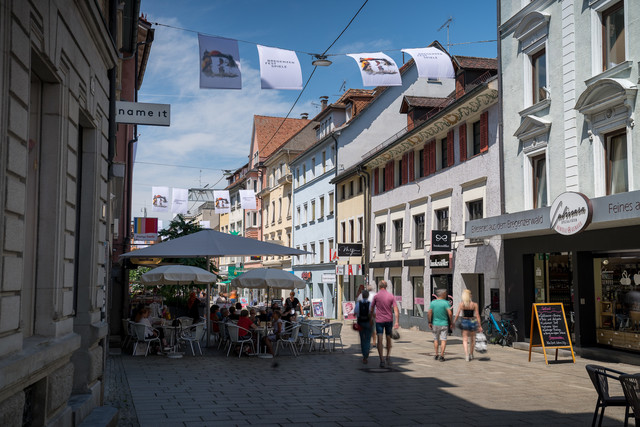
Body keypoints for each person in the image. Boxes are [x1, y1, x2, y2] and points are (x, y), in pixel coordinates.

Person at [371, 280, 399, 368]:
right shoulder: (391, 296)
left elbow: (371, 309)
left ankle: (381, 359)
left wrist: (372, 317)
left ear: (379, 286)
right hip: (389, 320)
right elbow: (396, 309)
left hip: (379, 320)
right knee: (388, 338)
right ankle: (387, 356)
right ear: (386, 286)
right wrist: (397, 321)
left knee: (379, 339)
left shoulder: (376, 296)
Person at [454, 289, 483, 362]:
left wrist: (453, 322)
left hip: (465, 321)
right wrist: (480, 325)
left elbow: (457, 314)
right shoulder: (474, 304)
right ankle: (471, 354)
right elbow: (477, 315)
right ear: (470, 296)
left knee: (465, 339)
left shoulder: (462, 304)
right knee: (472, 339)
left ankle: (466, 355)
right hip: (473, 321)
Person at [428, 289, 453, 362]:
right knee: (443, 339)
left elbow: (429, 313)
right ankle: (442, 356)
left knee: (435, 339)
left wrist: (429, 322)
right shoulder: (446, 303)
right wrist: (451, 322)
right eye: (445, 293)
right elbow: (450, 313)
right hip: (444, 324)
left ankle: (436, 355)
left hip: (435, 324)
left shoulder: (433, 303)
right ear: (443, 294)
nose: (446, 295)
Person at [355, 290, 374, 364]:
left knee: (362, 339)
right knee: (368, 339)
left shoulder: (358, 304)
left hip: (360, 323)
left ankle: (364, 355)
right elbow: (372, 313)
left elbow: (355, 312)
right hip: (368, 322)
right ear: (368, 296)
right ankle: (366, 354)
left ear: (362, 296)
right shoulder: (370, 304)